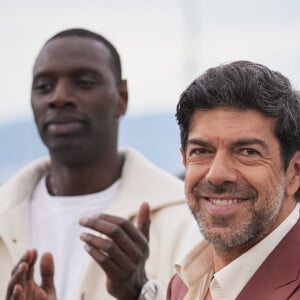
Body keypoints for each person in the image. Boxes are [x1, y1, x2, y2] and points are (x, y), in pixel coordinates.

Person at [1, 28, 196, 300]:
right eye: (43, 87)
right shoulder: (5, 214)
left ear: (122, 98)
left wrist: (139, 292)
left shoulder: (186, 219)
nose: (59, 97)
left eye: (84, 82)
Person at [167, 60, 300, 299]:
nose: (217, 175)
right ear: (185, 160)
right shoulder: (184, 283)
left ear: (295, 172)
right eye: (201, 151)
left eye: (247, 152)